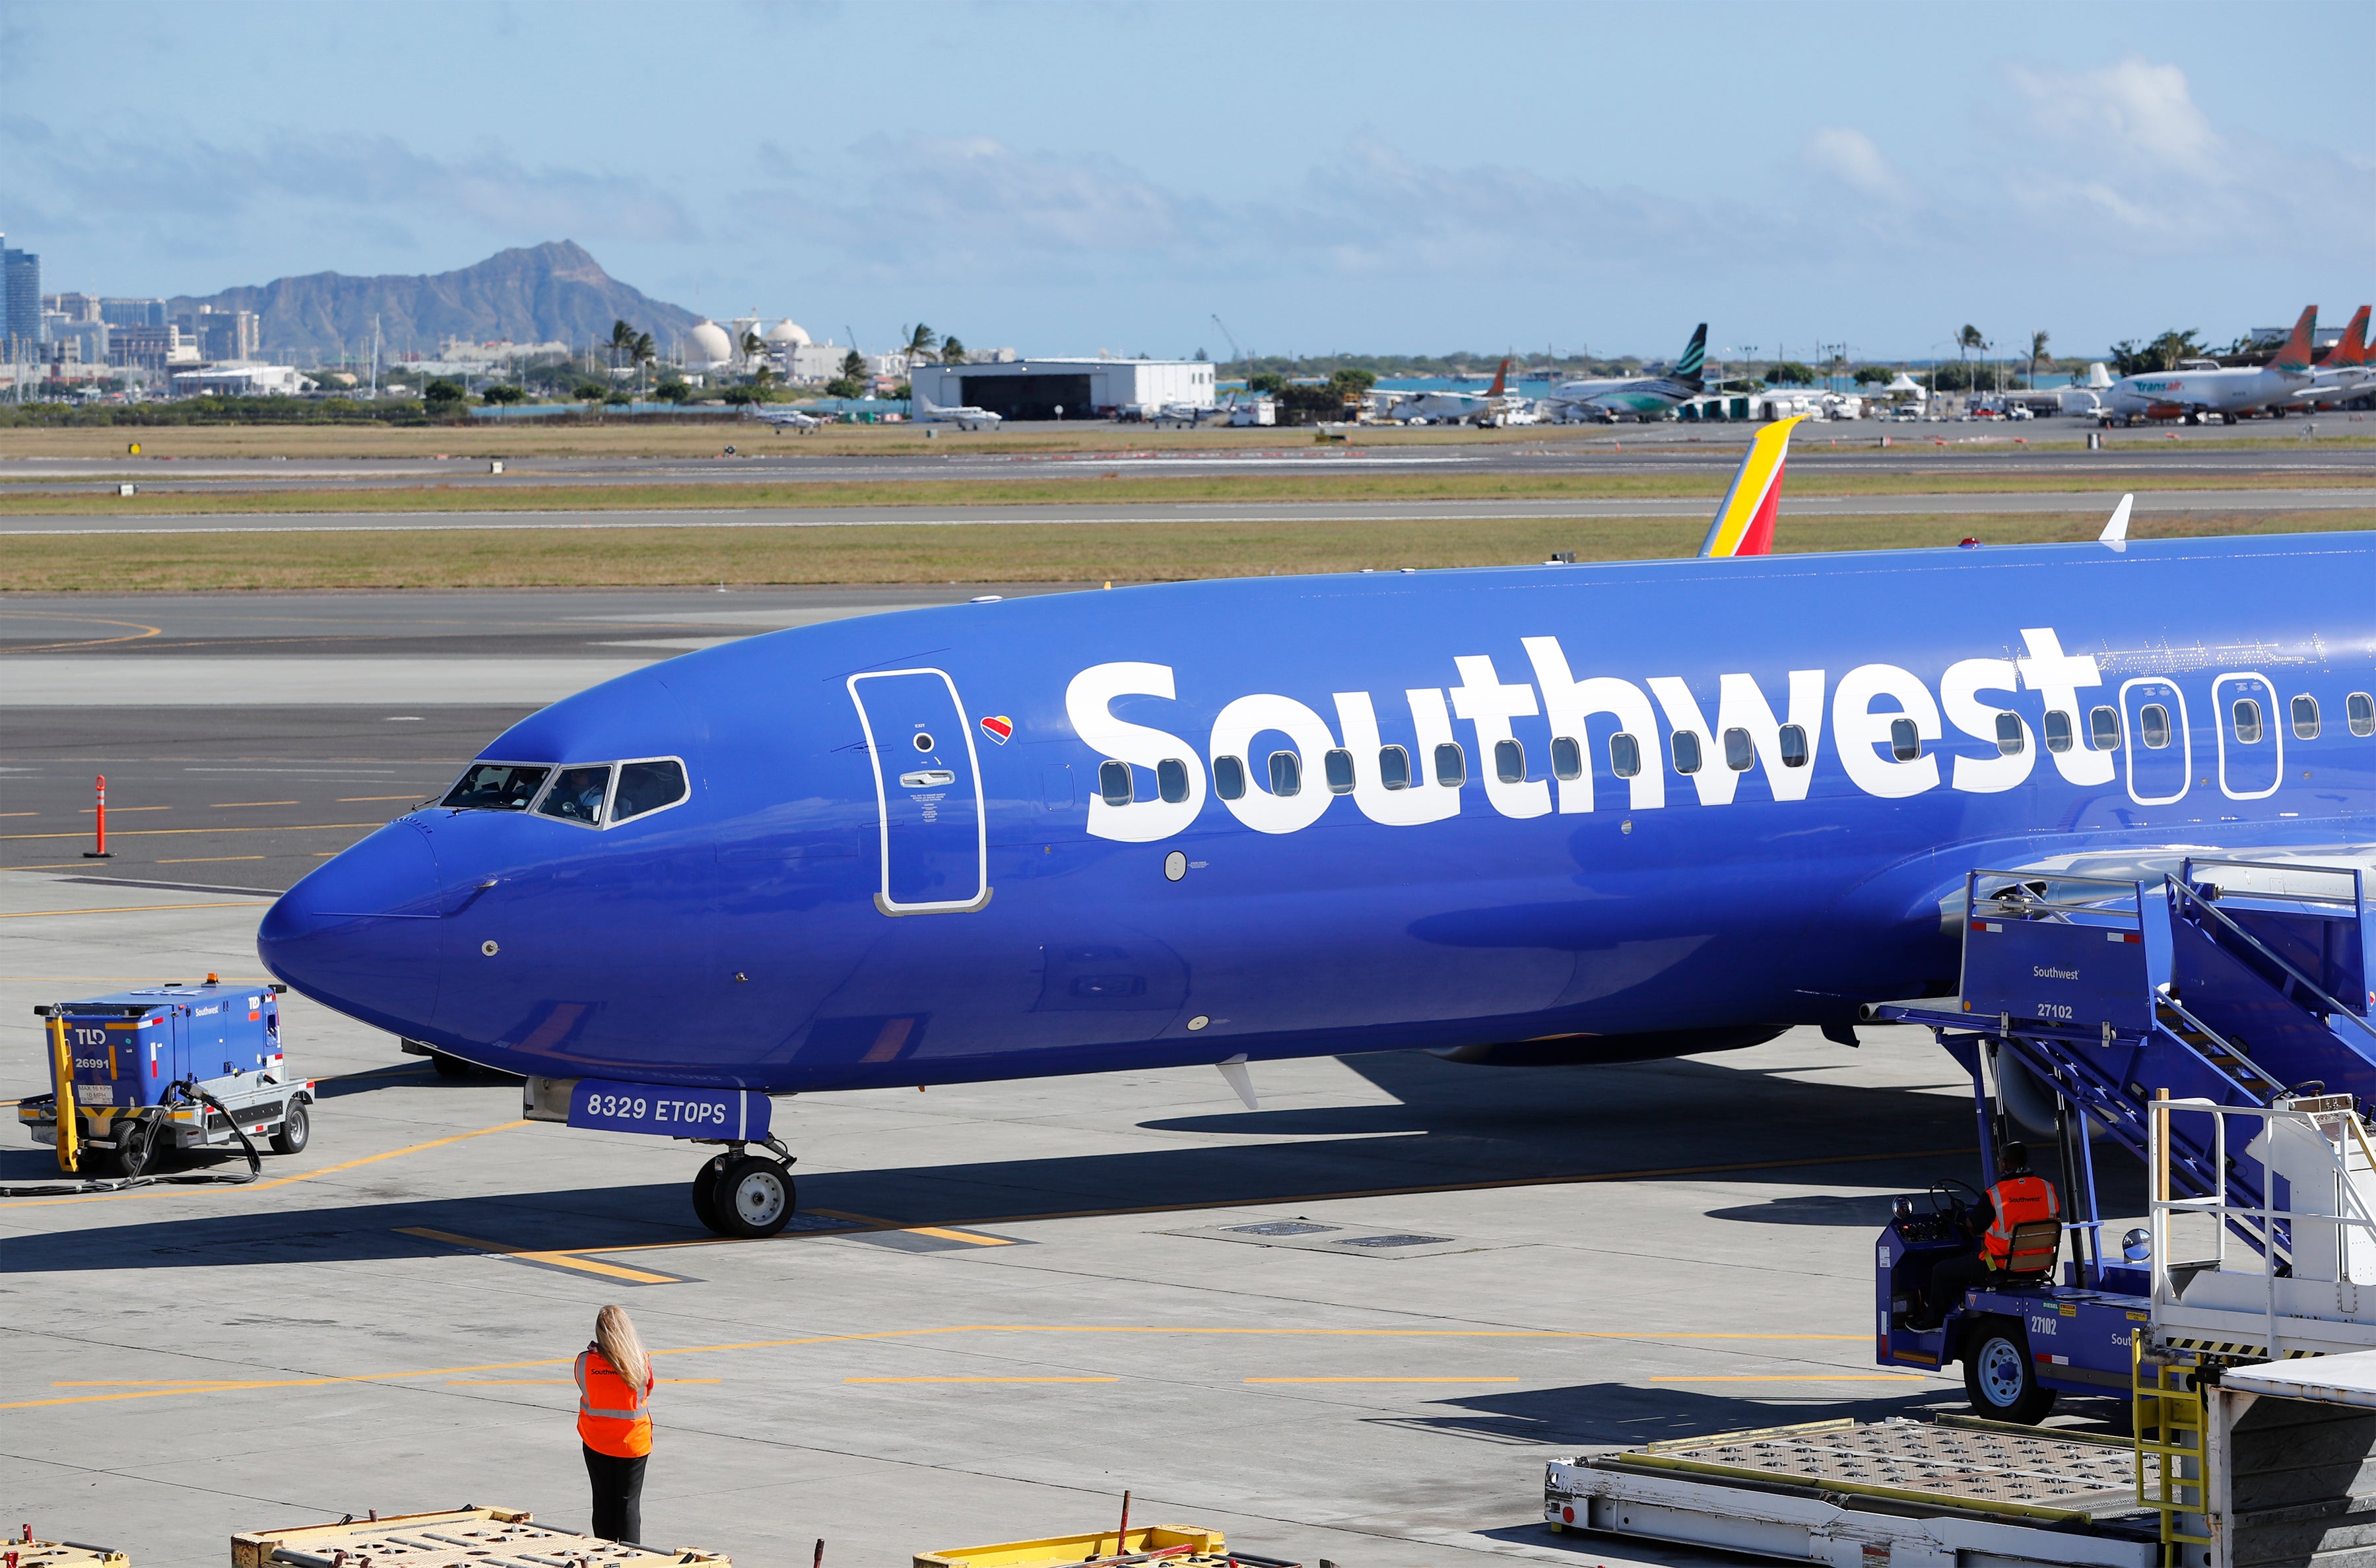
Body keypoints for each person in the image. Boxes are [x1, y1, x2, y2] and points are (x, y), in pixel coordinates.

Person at [1913, 1144, 2061, 1329]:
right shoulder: (2046, 1188)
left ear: (2005, 1164)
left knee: (1941, 1271)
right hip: (2038, 1266)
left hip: (2000, 1268)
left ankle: (1931, 1322)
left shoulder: (1996, 1194)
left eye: (2000, 1160)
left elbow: (1972, 1227)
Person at [577, 1305, 655, 1545]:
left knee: (602, 1504)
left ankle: (605, 1556)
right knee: (628, 1505)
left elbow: (583, 1386)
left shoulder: (584, 1362)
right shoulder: (640, 1362)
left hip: (596, 1441)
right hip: (633, 1444)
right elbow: (648, 1388)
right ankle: (631, 1557)